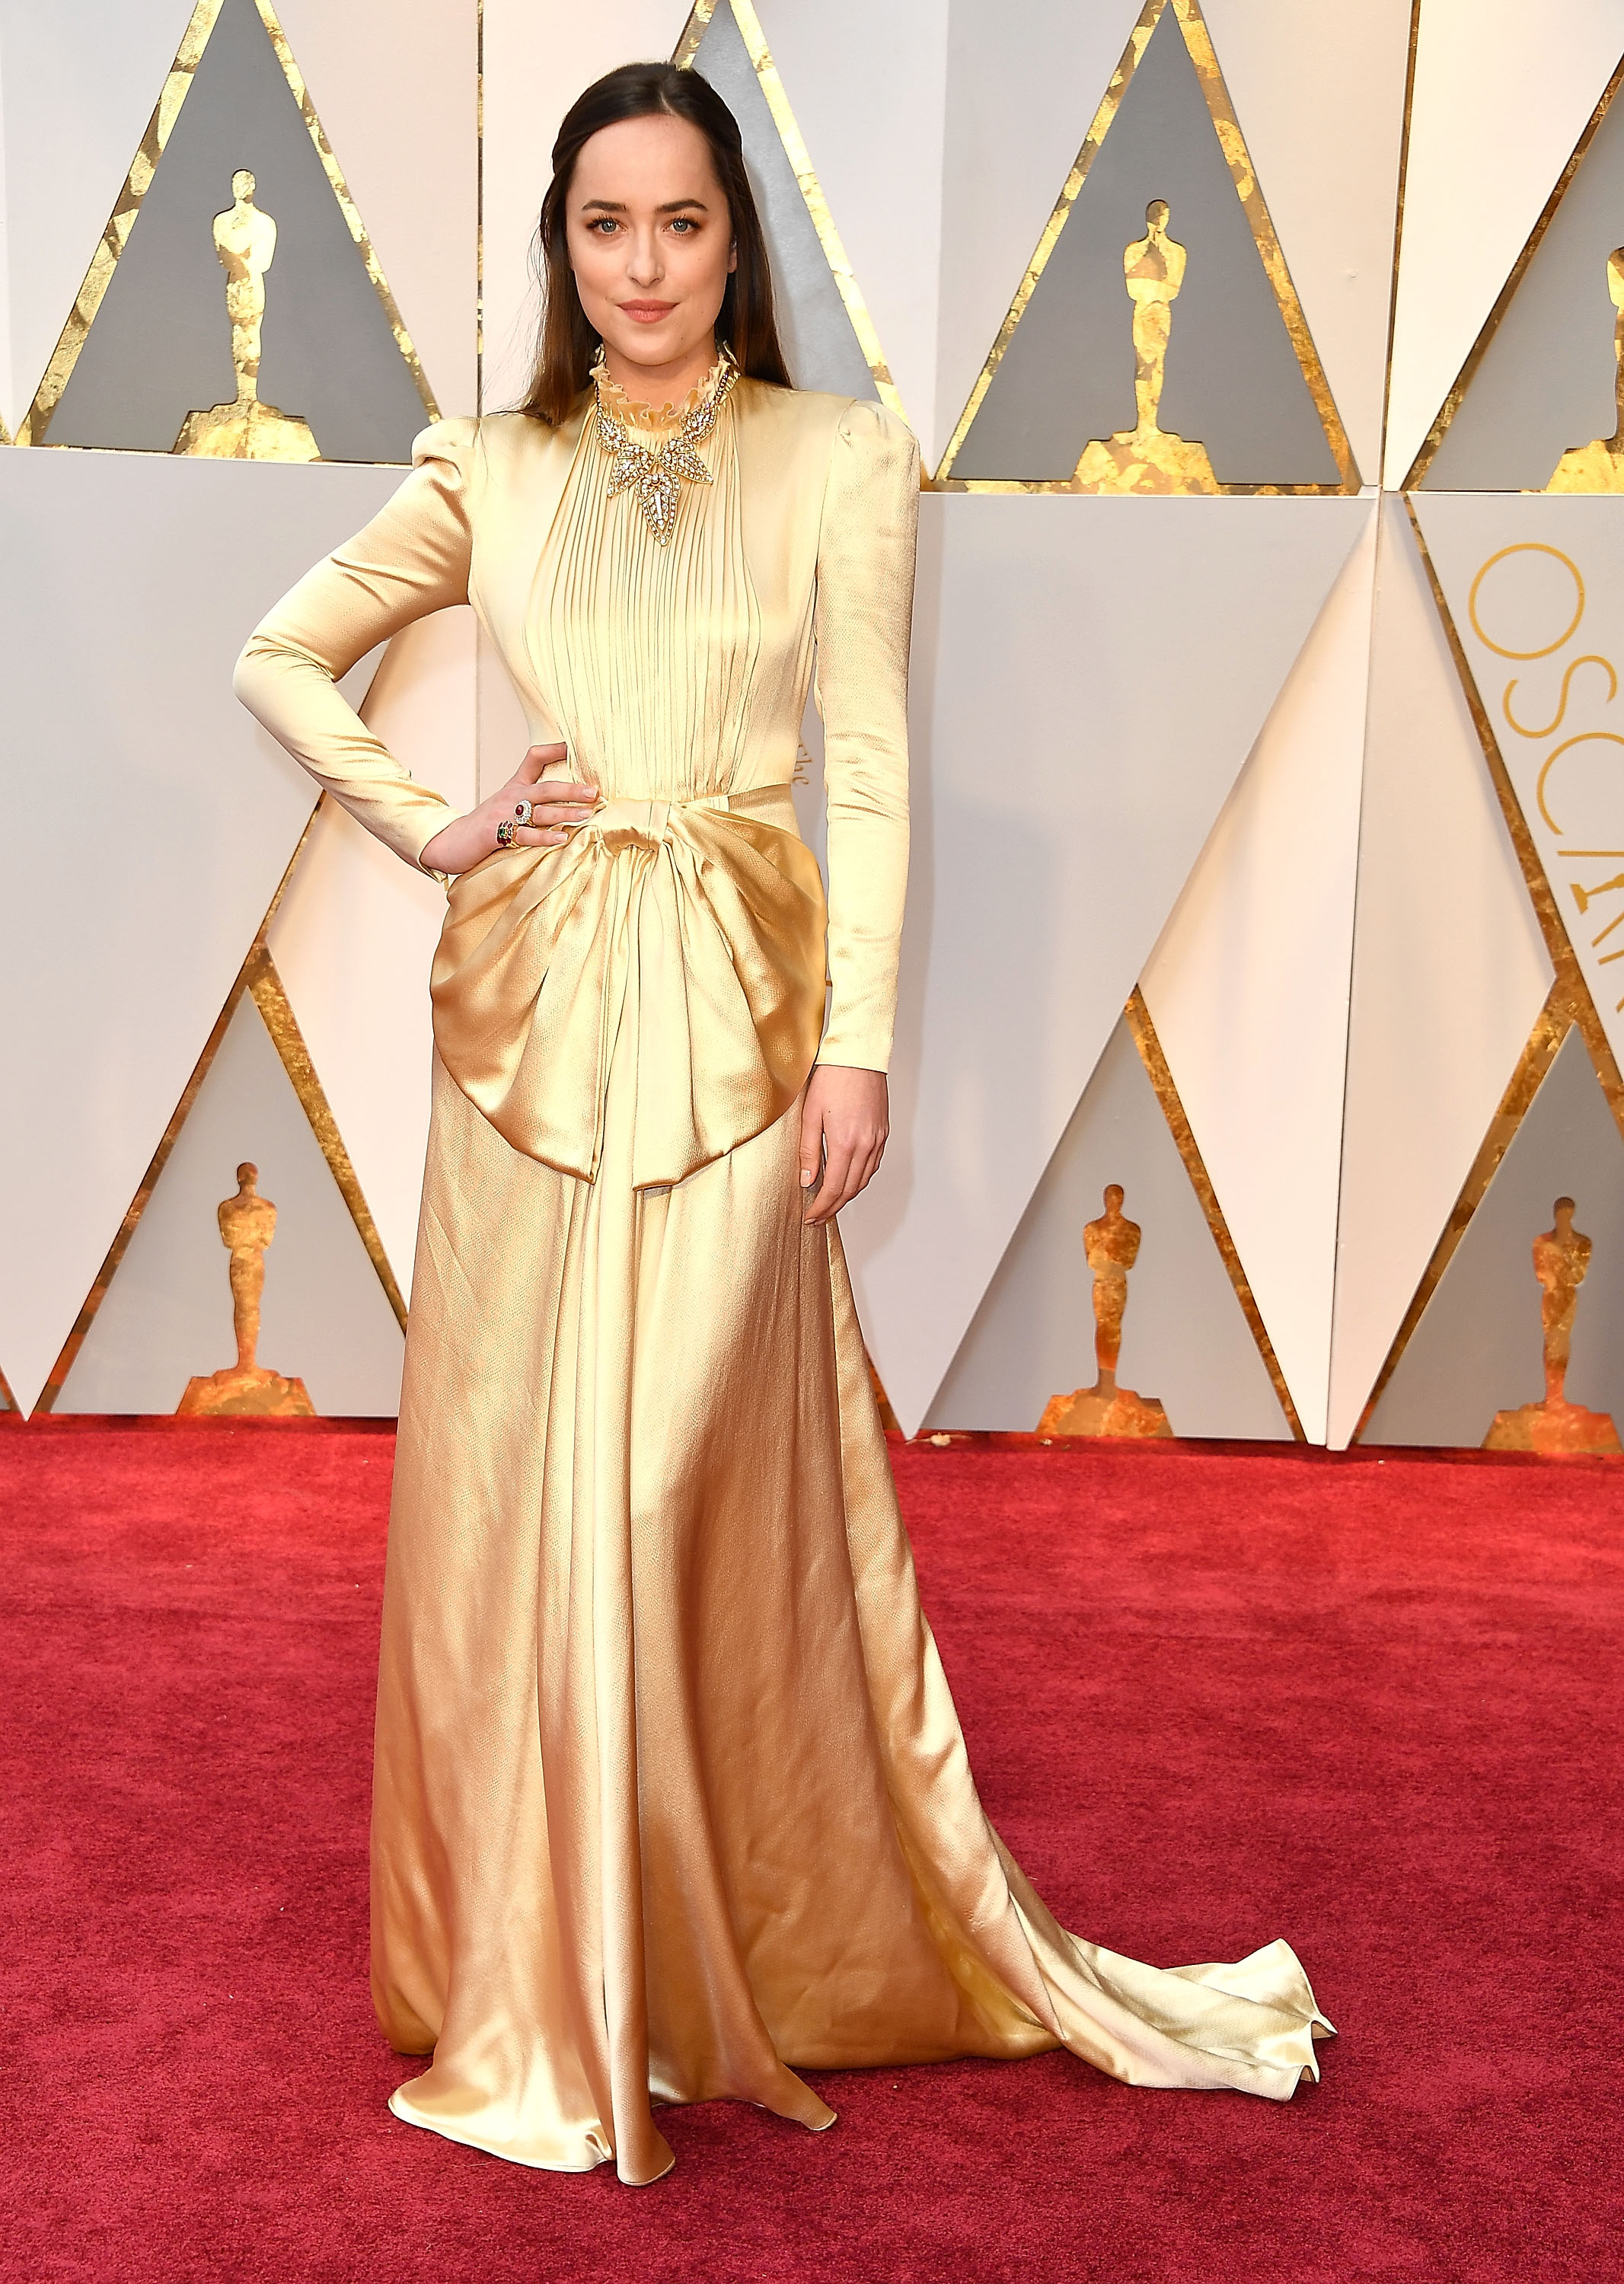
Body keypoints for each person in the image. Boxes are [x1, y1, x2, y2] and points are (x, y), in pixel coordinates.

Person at [234, 61, 1330, 2187]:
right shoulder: (486, 461)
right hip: (531, 1027)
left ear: (740, 241)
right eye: (602, 228)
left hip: (745, 1023)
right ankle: (546, 1976)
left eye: (683, 224)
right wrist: (430, 825)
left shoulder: (842, 457)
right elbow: (286, 655)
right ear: (564, 249)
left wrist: (861, 1044)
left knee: (659, 1491)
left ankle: (673, 1951)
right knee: (517, 1496)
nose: (642, 268)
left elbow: (869, 761)